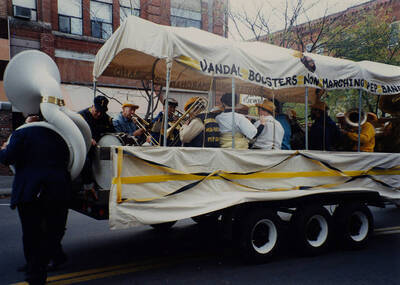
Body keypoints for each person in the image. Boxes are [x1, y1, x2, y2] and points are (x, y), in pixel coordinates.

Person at [0, 123, 71, 284]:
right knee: (52, 230)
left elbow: (7, 158)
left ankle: (35, 273)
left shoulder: (22, 133)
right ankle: (52, 258)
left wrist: (3, 149)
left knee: (31, 233)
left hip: (30, 191)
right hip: (57, 190)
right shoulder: (62, 134)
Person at [79, 96, 115, 191]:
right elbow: (74, 133)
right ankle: (88, 189)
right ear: (93, 106)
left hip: (101, 151)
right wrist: (87, 138)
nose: (99, 114)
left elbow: (112, 135)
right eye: (97, 110)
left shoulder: (107, 119)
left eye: (102, 112)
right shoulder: (81, 117)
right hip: (85, 150)